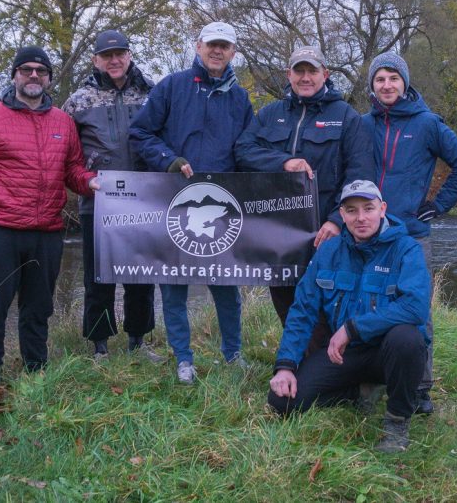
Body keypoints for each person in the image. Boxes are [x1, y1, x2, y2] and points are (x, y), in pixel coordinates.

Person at [0, 46, 99, 388]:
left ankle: (36, 369)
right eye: (27, 69)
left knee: (38, 309)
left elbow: (73, 170)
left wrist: (92, 183)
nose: (34, 75)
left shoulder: (63, 122)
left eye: (41, 71)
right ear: (15, 74)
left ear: (49, 78)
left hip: (46, 233)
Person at [129, 21, 254, 383]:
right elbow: (140, 132)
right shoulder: (172, 86)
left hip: (223, 206)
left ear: (233, 52)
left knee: (227, 287)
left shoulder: (240, 97)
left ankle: (233, 355)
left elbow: (247, 149)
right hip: (175, 201)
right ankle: (184, 358)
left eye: (225, 46)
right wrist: (167, 158)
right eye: (211, 44)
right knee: (174, 286)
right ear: (198, 46)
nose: (217, 51)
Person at [268, 180, 430, 453]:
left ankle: (397, 421)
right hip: (343, 355)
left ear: (383, 209)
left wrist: (353, 328)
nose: (361, 218)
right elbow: (303, 310)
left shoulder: (407, 249)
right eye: (352, 211)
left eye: (369, 208)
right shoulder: (329, 251)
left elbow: (415, 308)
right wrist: (285, 365)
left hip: (387, 352)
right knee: (282, 402)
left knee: (408, 338)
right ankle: (358, 393)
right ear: (341, 215)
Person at [362, 51, 457, 415]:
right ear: (372, 86)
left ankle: (420, 387)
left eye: (393, 78)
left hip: (411, 234)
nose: (386, 85)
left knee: (415, 310)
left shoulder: (427, 123)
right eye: (380, 79)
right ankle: (372, 380)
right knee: (370, 303)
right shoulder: (363, 124)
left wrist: (438, 204)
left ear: (405, 82)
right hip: (368, 233)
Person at [234, 45, 373, 346]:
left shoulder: (346, 117)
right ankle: (302, 360)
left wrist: (338, 220)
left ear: (326, 74)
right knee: (285, 297)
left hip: (326, 231)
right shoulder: (270, 114)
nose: (306, 77)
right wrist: (283, 162)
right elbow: (243, 151)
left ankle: (336, 367)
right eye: (300, 71)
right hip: (277, 230)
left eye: (312, 71)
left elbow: (360, 175)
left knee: (328, 298)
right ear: (289, 75)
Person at [62, 30, 162, 363]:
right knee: (98, 277)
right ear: (95, 60)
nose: (114, 60)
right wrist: (85, 181)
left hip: (145, 200)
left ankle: (138, 340)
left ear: (129, 55)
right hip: (98, 202)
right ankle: (100, 345)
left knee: (142, 275)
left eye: (119, 53)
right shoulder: (78, 101)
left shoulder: (153, 94)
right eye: (107, 55)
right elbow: (67, 155)